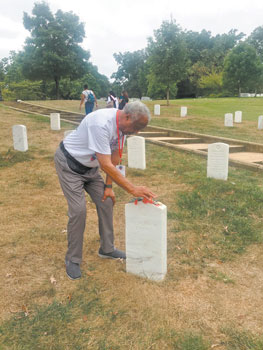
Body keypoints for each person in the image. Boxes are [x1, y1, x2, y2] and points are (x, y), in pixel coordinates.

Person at [54, 101, 156, 280]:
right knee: (78, 211)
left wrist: (108, 187)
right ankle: (72, 259)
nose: (137, 132)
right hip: (69, 164)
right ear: (126, 117)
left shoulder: (122, 127)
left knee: (107, 201)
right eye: (137, 127)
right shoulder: (100, 123)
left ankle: (107, 249)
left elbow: (114, 158)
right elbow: (105, 164)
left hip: (91, 168)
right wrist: (132, 189)